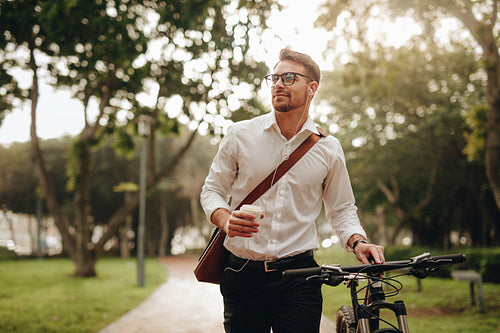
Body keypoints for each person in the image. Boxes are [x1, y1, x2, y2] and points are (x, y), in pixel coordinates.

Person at [200, 48, 385, 333]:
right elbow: (212, 191)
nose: (278, 84)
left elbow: (341, 209)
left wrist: (359, 242)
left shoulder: (328, 148)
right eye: (274, 78)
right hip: (242, 274)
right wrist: (225, 219)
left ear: (312, 88)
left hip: (301, 278)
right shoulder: (240, 134)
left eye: (288, 78)